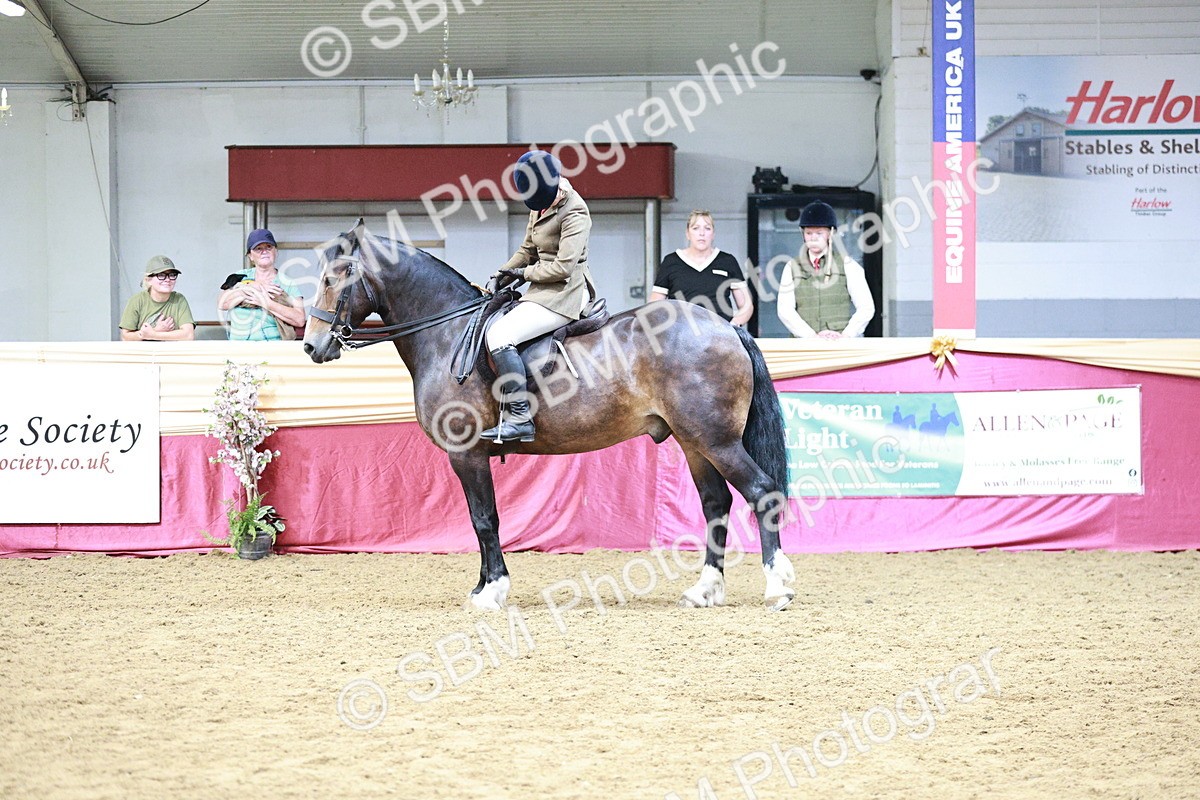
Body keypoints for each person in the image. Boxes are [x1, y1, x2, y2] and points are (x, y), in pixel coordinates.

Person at [479, 150, 597, 444]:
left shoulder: (575, 212)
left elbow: (563, 267)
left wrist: (524, 275)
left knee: (499, 336)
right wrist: (502, 273)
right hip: (542, 289)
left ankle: (519, 417)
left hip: (567, 291)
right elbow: (527, 249)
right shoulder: (540, 204)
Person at [776, 201, 874, 339]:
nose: (813, 238)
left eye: (819, 233)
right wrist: (811, 336)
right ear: (802, 234)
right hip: (803, 346)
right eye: (809, 233)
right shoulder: (791, 267)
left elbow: (866, 307)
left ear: (830, 233)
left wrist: (846, 335)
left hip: (840, 346)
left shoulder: (848, 265)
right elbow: (785, 310)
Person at [649, 210, 752, 326]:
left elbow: (746, 305)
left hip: (720, 337)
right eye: (696, 228)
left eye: (707, 228)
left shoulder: (727, 261)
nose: (702, 233)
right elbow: (655, 306)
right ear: (687, 233)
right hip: (681, 336)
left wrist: (733, 326)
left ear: (713, 234)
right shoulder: (671, 261)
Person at [218, 228, 306, 340]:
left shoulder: (288, 283)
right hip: (238, 350)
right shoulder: (239, 276)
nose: (264, 252)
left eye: (268, 247)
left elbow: (299, 319)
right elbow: (222, 303)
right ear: (250, 255)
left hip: (273, 350)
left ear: (276, 251)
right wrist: (253, 287)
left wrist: (266, 303)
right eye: (258, 249)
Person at [118, 256, 196, 341]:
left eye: (172, 275)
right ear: (148, 280)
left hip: (171, 353)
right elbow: (125, 337)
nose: (168, 279)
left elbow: (188, 335)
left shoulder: (179, 300)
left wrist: (154, 334)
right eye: (161, 275)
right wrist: (154, 331)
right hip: (144, 353)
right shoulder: (137, 301)